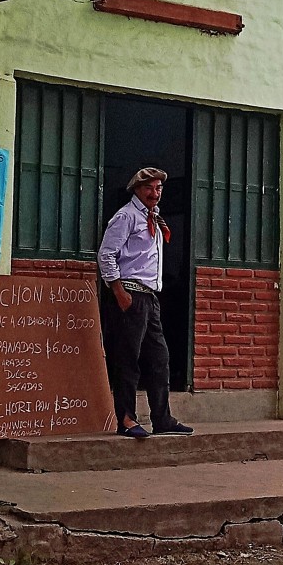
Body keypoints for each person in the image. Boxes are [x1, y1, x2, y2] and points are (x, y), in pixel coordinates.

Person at [97, 167, 194, 438]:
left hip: (149, 297)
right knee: (128, 359)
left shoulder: (154, 217)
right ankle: (126, 419)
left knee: (159, 358)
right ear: (136, 190)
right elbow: (106, 255)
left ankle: (161, 418)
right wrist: (119, 293)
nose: (155, 193)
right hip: (130, 294)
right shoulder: (126, 216)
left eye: (158, 188)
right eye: (149, 188)